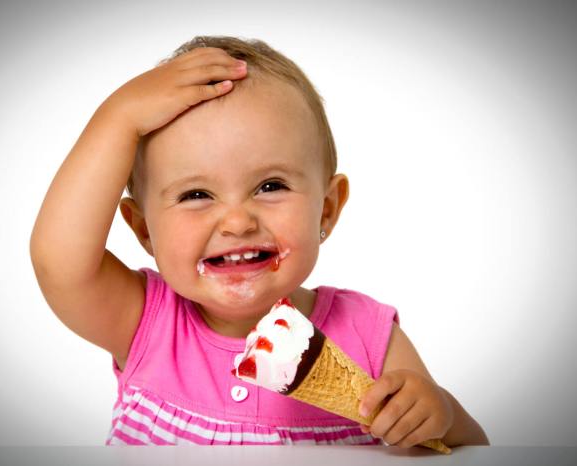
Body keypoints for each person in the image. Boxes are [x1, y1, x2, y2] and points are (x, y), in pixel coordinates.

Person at [30, 35, 489, 448]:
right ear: (144, 229)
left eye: (270, 186)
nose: (236, 221)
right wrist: (119, 117)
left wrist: (440, 415)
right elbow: (60, 261)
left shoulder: (368, 336)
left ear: (326, 208)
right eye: (196, 194)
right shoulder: (145, 323)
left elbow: (468, 448)